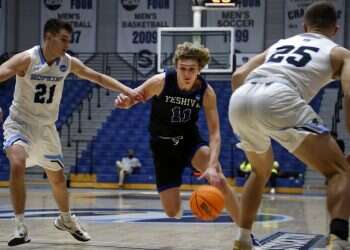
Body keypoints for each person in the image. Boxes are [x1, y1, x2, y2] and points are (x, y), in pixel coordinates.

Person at [0, 18, 141, 247]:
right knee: (17, 162)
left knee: (57, 179)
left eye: (69, 40)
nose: (68, 44)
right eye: (63, 39)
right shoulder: (27, 59)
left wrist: (129, 90)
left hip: (46, 129)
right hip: (19, 123)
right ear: (49, 37)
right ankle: (20, 226)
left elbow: (97, 77)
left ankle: (66, 219)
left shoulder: (67, 63)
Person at [229, 2, 350, 249]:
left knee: (259, 172)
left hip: (240, 98)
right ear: (335, 30)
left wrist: (250, 110)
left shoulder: (280, 44)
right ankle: (339, 240)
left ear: (304, 26)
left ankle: (242, 238)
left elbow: (237, 75)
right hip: (279, 98)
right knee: (339, 171)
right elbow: (349, 92)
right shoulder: (340, 53)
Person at [115, 42, 241, 226]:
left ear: (199, 70)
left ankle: (245, 232)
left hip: (189, 140)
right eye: (183, 69)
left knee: (218, 178)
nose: (187, 74)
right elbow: (133, 97)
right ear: (176, 67)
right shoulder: (161, 82)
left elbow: (215, 133)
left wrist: (212, 166)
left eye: (192, 69)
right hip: (163, 147)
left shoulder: (206, 92)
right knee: (172, 212)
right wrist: (125, 102)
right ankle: (179, 201)